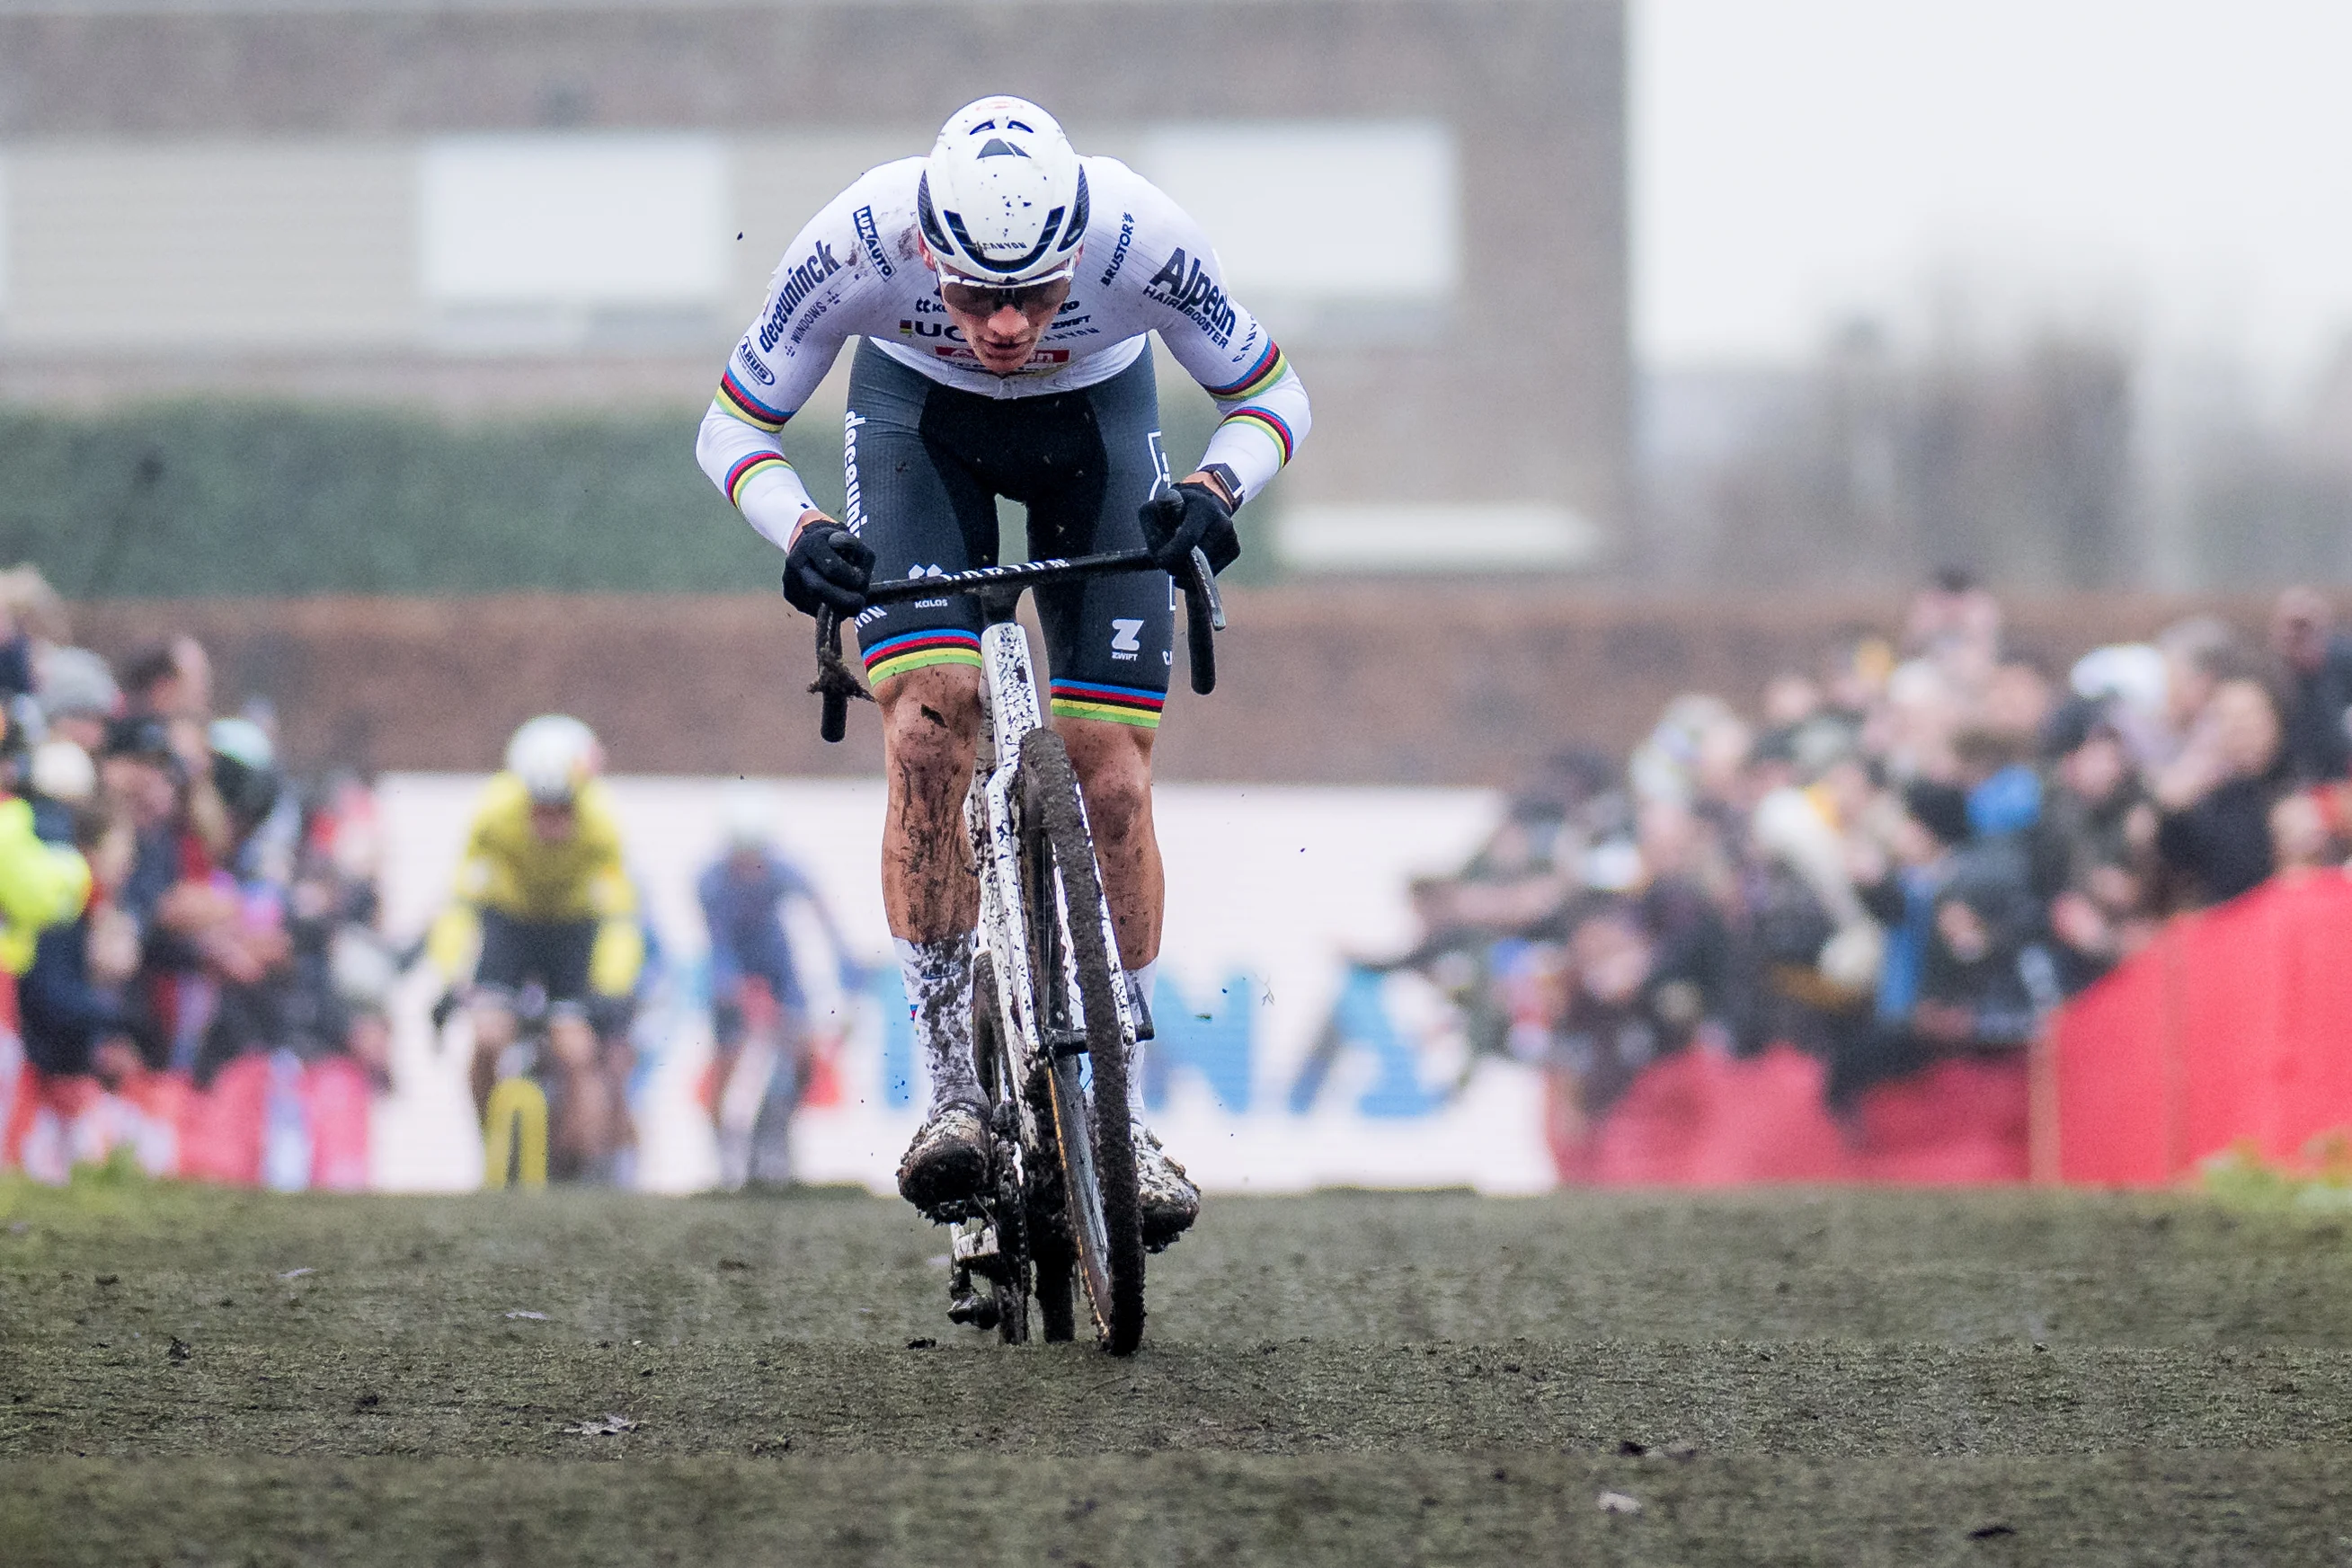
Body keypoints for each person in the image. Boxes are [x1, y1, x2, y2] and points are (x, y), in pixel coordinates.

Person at [696, 96, 1311, 1244]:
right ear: (928, 251)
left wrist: (1218, 491)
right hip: (919, 430)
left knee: (1110, 778)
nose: (1008, 326)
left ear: (1079, 252)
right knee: (934, 721)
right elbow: (731, 427)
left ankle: (1120, 1115)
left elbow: (1273, 396)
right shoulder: (858, 240)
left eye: (1037, 293)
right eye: (976, 296)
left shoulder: (1145, 235)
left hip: (1099, 432)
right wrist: (801, 529)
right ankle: (950, 1091)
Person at [428, 715, 643, 1181]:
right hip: (511, 924)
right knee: (488, 1037)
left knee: (576, 1051)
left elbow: (619, 920)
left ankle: (576, 1165)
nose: (550, 822)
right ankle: (491, 1148)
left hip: (572, 929)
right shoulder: (492, 815)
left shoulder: (603, 825)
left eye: (562, 810)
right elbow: (461, 905)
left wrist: (611, 987)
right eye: (539, 809)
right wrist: (449, 975)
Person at [697, 785, 861, 1189]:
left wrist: (848, 965)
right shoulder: (709, 882)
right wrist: (734, 989)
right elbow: (718, 944)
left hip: (777, 967)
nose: (751, 865)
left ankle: (776, 1132)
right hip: (732, 969)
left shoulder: (785, 870)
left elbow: (824, 918)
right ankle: (726, 1158)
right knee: (728, 1059)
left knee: (803, 1051)